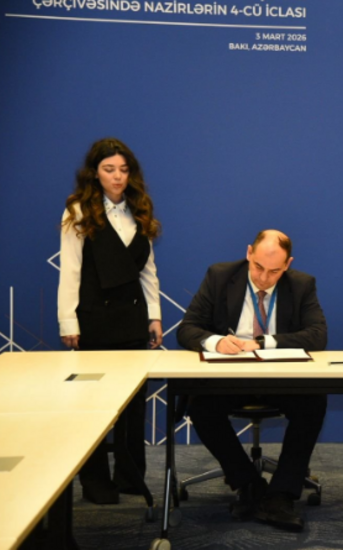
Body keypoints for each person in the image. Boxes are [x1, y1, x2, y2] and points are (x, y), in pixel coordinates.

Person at [177, 229, 327, 532]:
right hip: (231, 378)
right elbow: (187, 329)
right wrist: (216, 342)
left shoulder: (301, 284)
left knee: (313, 401)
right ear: (248, 253)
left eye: (274, 271)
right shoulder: (220, 276)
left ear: (288, 265)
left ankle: (282, 493)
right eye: (258, 267)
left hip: (280, 379)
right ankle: (248, 483)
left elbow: (317, 335)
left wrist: (262, 343)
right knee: (201, 406)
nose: (263, 278)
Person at [58, 137, 163, 504]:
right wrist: (68, 322)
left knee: (134, 405)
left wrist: (154, 315)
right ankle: (96, 482)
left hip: (132, 317)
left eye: (123, 169)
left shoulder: (140, 208)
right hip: (94, 319)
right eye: (109, 169)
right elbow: (70, 270)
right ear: (95, 173)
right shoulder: (78, 210)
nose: (117, 176)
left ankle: (131, 476)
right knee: (93, 405)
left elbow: (147, 269)